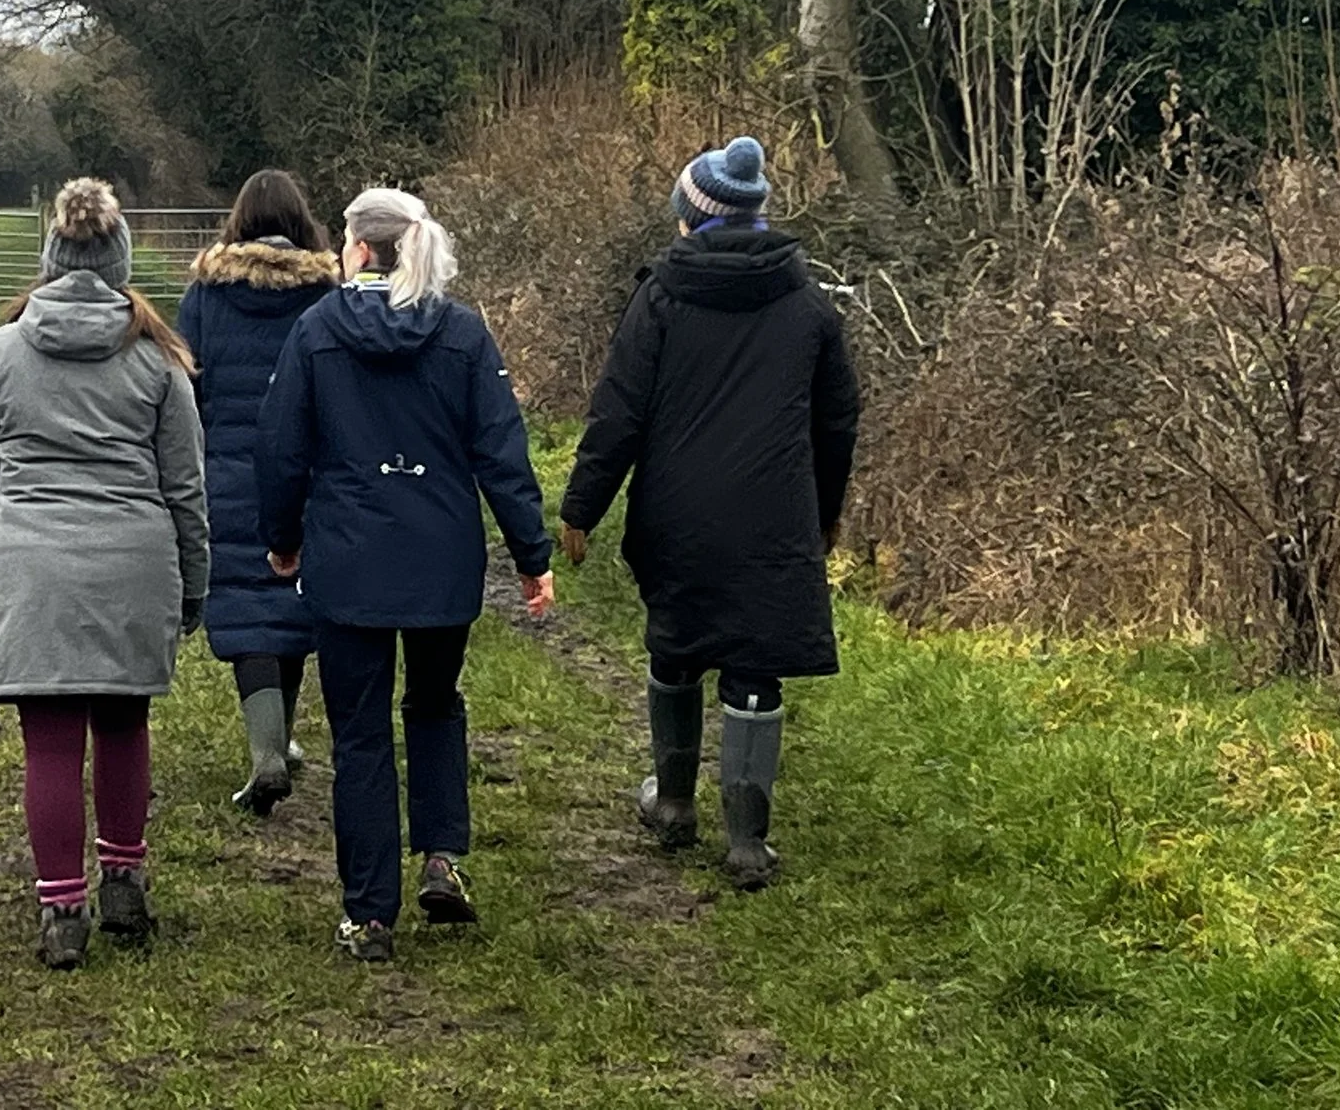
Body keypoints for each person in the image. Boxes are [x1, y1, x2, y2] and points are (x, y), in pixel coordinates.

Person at [259, 187, 554, 963]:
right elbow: (501, 449)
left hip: (348, 563)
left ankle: (368, 913)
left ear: (355, 247)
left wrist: (281, 540)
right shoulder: (461, 334)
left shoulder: (317, 331)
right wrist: (532, 555)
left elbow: (281, 449)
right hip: (440, 559)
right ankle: (442, 855)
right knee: (433, 703)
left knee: (359, 733)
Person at [558, 136, 861, 890]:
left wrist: (582, 508)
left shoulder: (660, 296)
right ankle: (748, 841)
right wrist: (825, 512)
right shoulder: (808, 304)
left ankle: (672, 804)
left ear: (691, 216)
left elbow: (618, 413)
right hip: (773, 514)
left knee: (677, 648)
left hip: (678, 511)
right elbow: (838, 421)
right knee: (754, 665)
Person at [0, 177, 208, 971]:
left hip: (34, 563)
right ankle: (124, 878)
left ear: (51, 256)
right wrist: (193, 581)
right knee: (125, 723)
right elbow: (185, 486)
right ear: (121, 259)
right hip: (133, 559)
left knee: (50, 743)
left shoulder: (3, 349)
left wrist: (5, 531)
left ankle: (62, 907)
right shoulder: (157, 357)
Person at [176, 169, 339, 815]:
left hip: (232, 469)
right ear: (302, 222)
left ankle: (268, 750)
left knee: (246, 605)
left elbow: (188, 384)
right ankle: (279, 737)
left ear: (238, 221)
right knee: (292, 599)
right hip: (308, 470)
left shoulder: (206, 294)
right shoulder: (327, 291)